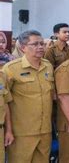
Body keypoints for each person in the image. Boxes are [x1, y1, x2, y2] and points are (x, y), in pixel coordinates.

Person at [4, 30, 54, 162]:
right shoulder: (11, 69)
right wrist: (8, 130)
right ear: (23, 47)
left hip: (45, 131)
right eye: (35, 44)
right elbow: (4, 102)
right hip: (22, 133)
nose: (40, 47)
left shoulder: (48, 66)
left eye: (42, 44)